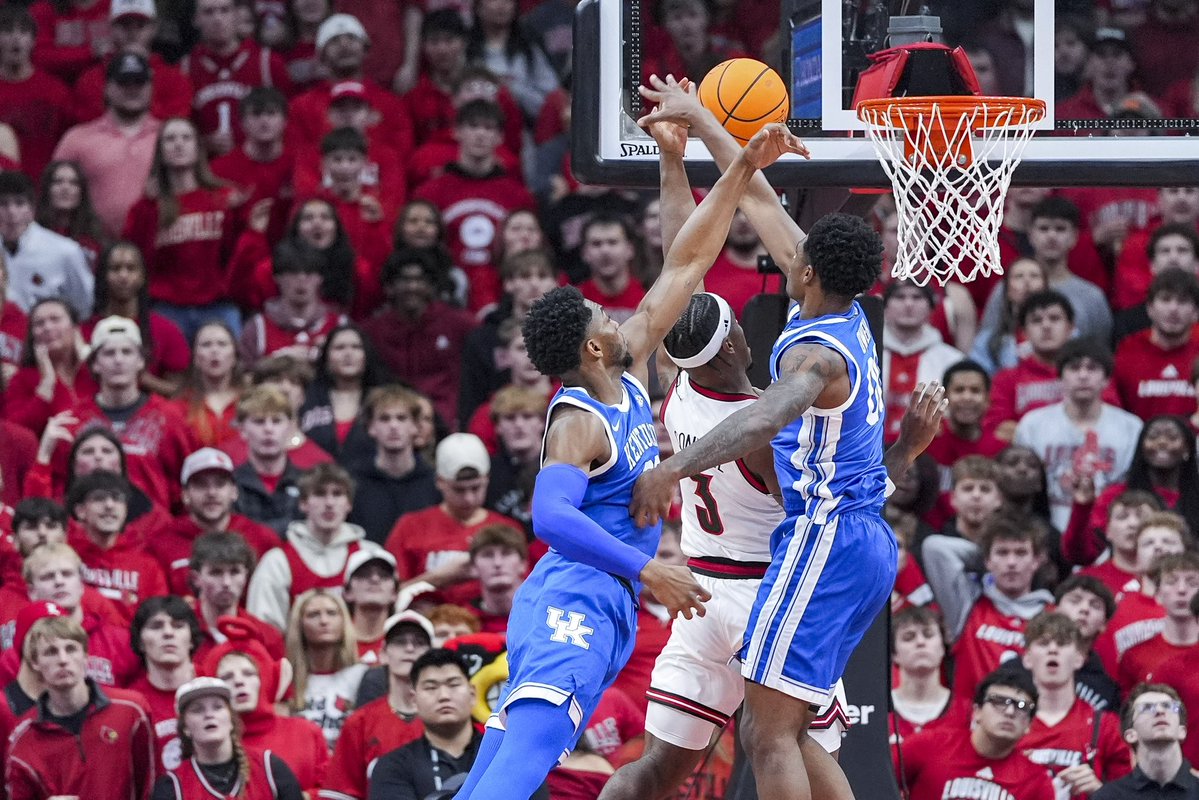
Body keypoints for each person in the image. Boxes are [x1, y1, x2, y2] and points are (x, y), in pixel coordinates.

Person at [458, 113, 804, 796]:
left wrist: (701, 163)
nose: (617, 316)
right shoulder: (578, 422)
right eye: (602, 317)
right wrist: (651, 570)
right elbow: (551, 519)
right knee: (528, 759)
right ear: (591, 347)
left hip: (603, 602)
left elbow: (685, 262)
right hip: (574, 596)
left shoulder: (630, 365)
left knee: (502, 767)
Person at [601, 283, 944, 800]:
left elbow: (682, 278)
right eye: (736, 323)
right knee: (792, 743)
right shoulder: (770, 433)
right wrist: (908, 448)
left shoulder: (678, 393)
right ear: (734, 346)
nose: (744, 325)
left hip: (699, 600)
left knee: (655, 771)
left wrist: (688, 198)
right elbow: (837, 507)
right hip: (764, 596)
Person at [5, 615, 155, 800]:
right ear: (35, 663)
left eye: (71, 649)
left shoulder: (131, 710)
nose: (63, 659)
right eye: (51, 652)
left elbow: (152, 786)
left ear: (85, 656)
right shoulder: (24, 740)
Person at [369, 647, 549, 800]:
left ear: (472, 694)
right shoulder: (392, 766)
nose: (444, 696)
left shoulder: (511, 756)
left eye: (453, 684)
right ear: (414, 700)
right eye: (431, 687)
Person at [57, 314, 196, 510]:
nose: (118, 360)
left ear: (141, 361)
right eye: (109, 353)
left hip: (154, 530)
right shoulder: (73, 420)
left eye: (126, 352)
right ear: (95, 363)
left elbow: (187, 483)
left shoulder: (171, 417)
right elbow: (60, 486)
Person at [123, 116, 240, 341]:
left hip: (217, 305)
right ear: (160, 151)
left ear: (198, 148)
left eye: (186, 138)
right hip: (167, 308)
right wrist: (148, 207)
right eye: (170, 139)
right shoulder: (147, 207)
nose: (178, 144)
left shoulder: (224, 198)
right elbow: (138, 258)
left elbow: (236, 255)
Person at [1014, 338, 1143, 529]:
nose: (1083, 376)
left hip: (1107, 530)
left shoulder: (1131, 427)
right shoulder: (1033, 424)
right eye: (1074, 368)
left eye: (1092, 369)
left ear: (1106, 379)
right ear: (1060, 376)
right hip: (1045, 529)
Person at [384, 432, 523, 608]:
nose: (469, 498)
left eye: (476, 488)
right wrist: (437, 579)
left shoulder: (507, 530)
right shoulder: (410, 527)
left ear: (487, 479)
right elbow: (388, 597)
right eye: (459, 490)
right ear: (439, 482)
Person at [923, 512, 1055, 696]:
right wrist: (983, 554)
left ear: (1037, 560)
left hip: (1026, 720)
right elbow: (934, 548)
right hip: (971, 722)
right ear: (987, 560)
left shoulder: (1053, 617)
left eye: (1020, 553)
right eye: (1002, 552)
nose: (1011, 563)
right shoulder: (967, 604)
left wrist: (993, 557)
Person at [247, 462, 385, 630]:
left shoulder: (371, 556)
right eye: (320, 494)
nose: (329, 503)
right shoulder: (277, 562)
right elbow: (265, 631)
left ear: (349, 504)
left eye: (337, 494)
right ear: (303, 503)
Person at [202, 620, 329, 792]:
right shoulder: (209, 744)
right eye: (227, 677)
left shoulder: (306, 733)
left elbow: (333, 790)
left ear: (268, 679)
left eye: (249, 674)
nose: (239, 681)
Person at [1018, 612, 1133, 796]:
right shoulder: (1010, 722)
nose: (1053, 650)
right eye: (1043, 643)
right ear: (1027, 658)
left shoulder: (1106, 726)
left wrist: (1100, 791)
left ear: (1080, 658)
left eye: (1062, 643)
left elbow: (1130, 794)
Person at [318, 610, 430, 800]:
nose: (410, 648)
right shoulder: (360, 722)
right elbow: (341, 793)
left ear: (431, 654)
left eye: (419, 643)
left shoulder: (446, 719)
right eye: (400, 642)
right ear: (383, 654)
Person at [895, 669, 1055, 800]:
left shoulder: (1036, 782)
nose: (1010, 711)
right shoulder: (928, 745)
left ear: (1029, 724)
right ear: (976, 712)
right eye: (999, 701)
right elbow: (875, 780)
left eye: (1022, 707)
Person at [51, 51, 162, 238]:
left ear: (150, 88)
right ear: (107, 88)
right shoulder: (77, 138)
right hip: (93, 245)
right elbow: (51, 193)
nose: (132, 89)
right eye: (124, 83)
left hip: (156, 244)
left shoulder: (169, 137)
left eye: (139, 82)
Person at [360, 248, 476, 426]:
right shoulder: (372, 331)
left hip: (447, 420)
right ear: (390, 287)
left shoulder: (459, 324)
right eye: (404, 280)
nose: (412, 287)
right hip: (391, 418)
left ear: (431, 286)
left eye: (419, 280)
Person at [149, 448, 280, 596]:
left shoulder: (262, 538)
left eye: (220, 484)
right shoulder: (161, 544)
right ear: (185, 495)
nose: (212, 493)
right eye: (201, 485)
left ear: (234, 492)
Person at [152, 675, 305, 800]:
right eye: (197, 710)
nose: (209, 714)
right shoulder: (172, 786)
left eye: (218, 707)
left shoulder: (270, 767)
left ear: (232, 721)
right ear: (185, 728)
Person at [182, 0, 291, 156]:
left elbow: (289, 119)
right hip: (208, 167)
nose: (218, 19)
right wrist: (203, 142)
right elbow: (180, 124)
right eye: (208, 12)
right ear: (196, 19)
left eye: (224, 10)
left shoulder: (267, 62)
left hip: (260, 166)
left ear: (236, 15)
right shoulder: (186, 68)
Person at [85, 241, 191, 397]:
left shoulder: (166, 330)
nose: (123, 275)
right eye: (115, 269)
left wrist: (136, 375)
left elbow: (181, 393)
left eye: (131, 268)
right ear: (103, 276)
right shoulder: (85, 331)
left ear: (142, 276)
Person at [346, 385, 439, 544]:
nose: (393, 426)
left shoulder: (435, 483)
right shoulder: (352, 482)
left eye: (401, 418)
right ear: (370, 427)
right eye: (384, 418)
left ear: (416, 427)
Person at [881, 281, 966, 444]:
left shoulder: (953, 360)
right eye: (899, 297)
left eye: (917, 297)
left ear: (931, 307)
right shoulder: (866, 354)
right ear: (885, 307)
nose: (908, 304)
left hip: (934, 448)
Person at [0, 170, 92, 319]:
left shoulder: (65, 251)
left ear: (32, 209)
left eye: (19, 203)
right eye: (3, 204)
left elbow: (83, 307)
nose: (11, 212)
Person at [239, 239, 346, 366]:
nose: (301, 279)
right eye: (293, 272)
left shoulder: (340, 325)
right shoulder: (257, 328)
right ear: (277, 277)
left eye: (309, 273)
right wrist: (278, 362)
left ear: (320, 278)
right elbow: (244, 378)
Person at [285, 588, 368, 750]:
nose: (324, 621)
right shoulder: (286, 680)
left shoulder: (364, 676)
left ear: (344, 620)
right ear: (299, 624)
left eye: (331, 613)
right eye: (313, 615)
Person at [1113, 268, 1199, 420]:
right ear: (1150, 308)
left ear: (1196, 312)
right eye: (1166, 299)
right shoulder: (1127, 351)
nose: (1173, 309)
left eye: (1183, 301)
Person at [127, 595, 201, 772]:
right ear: (140, 642)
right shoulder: (132, 705)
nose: (168, 633)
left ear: (191, 639)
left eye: (178, 626)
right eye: (156, 626)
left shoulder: (214, 690)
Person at [0, 6, 74, 181]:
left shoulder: (55, 91)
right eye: (7, 31)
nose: (16, 38)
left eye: (23, 32)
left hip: (45, 188)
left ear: (33, 40)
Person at [299, 322, 391, 461]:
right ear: (326, 356)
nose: (348, 354)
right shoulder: (305, 397)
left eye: (356, 347)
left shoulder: (386, 399)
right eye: (339, 348)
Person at [1091, 683, 1199, 799]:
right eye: (1146, 708)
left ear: (1182, 731)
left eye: (1168, 706)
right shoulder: (1109, 796)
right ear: (1130, 735)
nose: (1160, 711)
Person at [1117, 552, 1199, 693]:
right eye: (1171, 582)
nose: (1181, 590)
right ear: (1158, 594)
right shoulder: (1134, 656)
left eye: (1192, 583)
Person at [230, 385, 306, 535]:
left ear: (291, 428)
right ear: (242, 429)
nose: (268, 429)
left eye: (276, 421)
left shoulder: (308, 484)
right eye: (259, 421)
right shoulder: (230, 485)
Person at [888, 606, 953, 752]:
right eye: (909, 637)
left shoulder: (966, 711)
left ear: (943, 647)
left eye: (928, 634)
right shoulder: (880, 712)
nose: (920, 642)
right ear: (894, 654)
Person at [171, 321, 243, 447]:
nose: (214, 350)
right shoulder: (179, 406)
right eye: (206, 345)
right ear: (195, 357)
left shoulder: (250, 401)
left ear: (234, 355)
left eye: (222, 344)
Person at [35, 160, 109, 270]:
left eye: (73, 183)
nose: (65, 188)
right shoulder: (32, 234)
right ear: (47, 190)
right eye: (58, 182)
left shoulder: (94, 240)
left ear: (82, 192)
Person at [343, 549, 400, 662]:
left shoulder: (406, 641)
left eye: (384, 575)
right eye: (364, 575)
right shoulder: (333, 640)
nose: (375, 579)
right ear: (347, 592)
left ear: (395, 593)